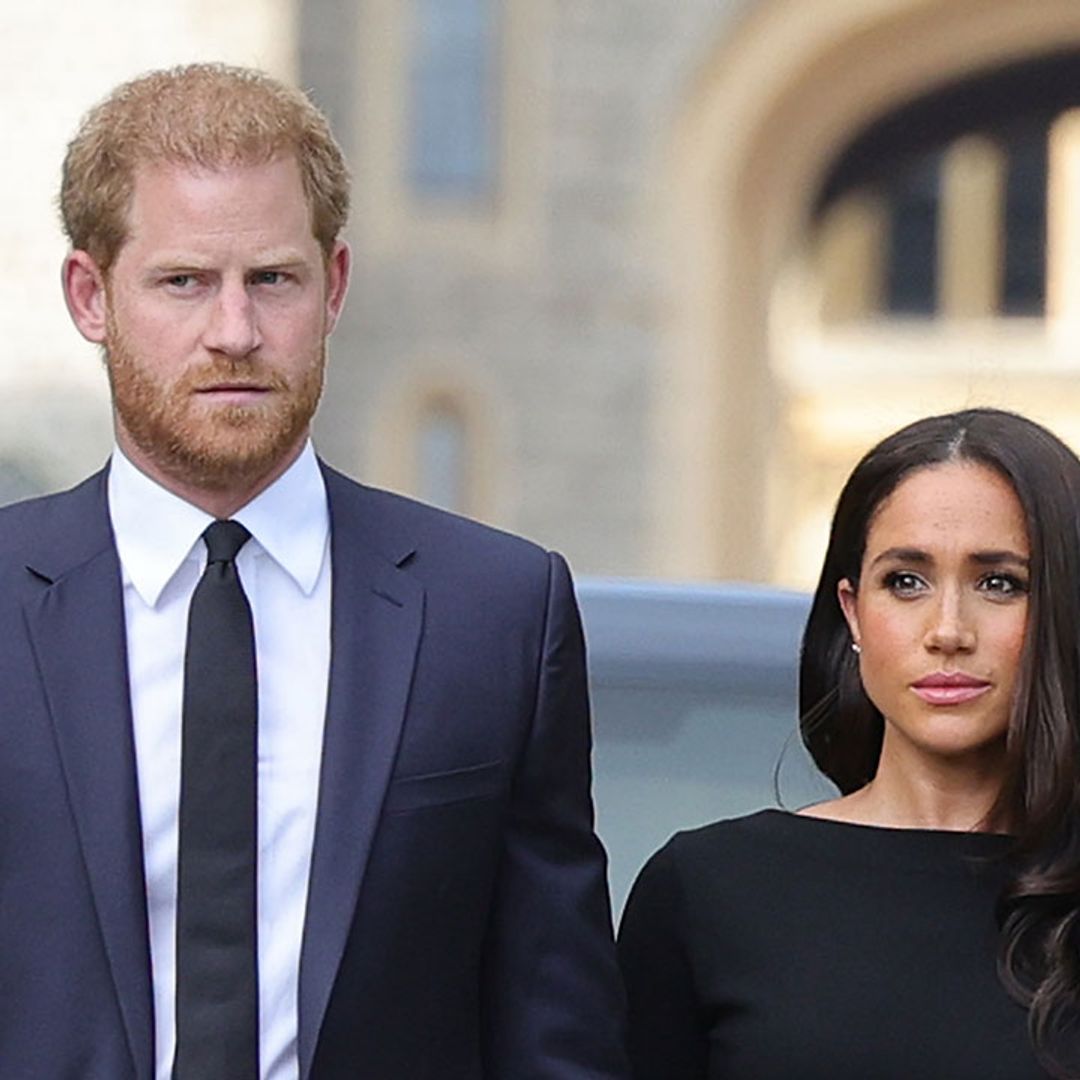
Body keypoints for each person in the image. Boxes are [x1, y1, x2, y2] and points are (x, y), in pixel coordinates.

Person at [0, 63, 628, 1079]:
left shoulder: (494, 616)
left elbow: (554, 1030)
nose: (235, 332)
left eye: (273, 280)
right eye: (184, 281)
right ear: (90, 295)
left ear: (333, 287)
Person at [618, 407, 1080, 1079]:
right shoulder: (710, 889)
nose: (948, 629)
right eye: (906, 581)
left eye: (999, 582)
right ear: (853, 611)